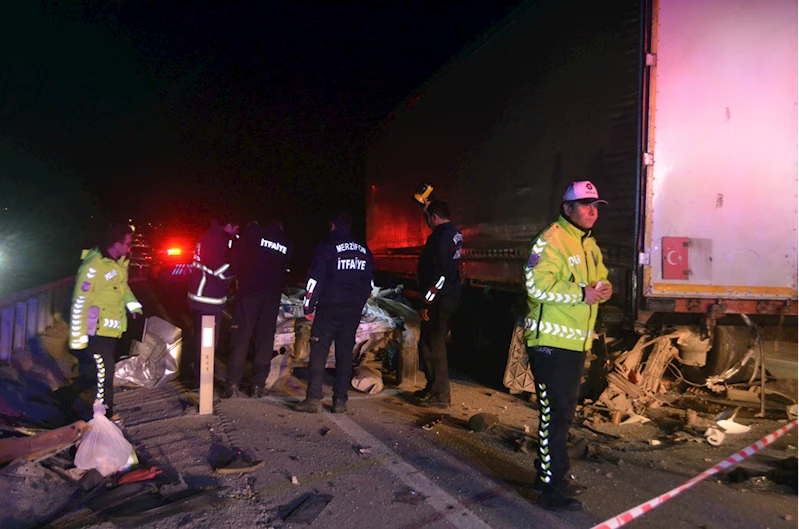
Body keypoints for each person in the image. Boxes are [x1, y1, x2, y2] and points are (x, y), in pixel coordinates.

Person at [523, 180, 612, 512]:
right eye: (585, 205)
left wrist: (603, 289)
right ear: (567, 209)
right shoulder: (551, 241)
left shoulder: (587, 245)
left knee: (563, 414)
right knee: (555, 414)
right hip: (549, 343)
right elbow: (536, 284)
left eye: (596, 206)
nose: (592, 211)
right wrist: (582, 294)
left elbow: (600, 277)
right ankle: (550, 485)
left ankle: (549, 472)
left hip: (574, 344)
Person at [294, 211, 374, 414]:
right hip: (352, 311)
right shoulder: (364, 249)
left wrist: (308, 307)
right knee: (345, 355)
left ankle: (313, 400)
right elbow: (369, 285)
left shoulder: (327, 247)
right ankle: (340, 402)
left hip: (329, 309)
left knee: (319, 353)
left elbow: (314, 281)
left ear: (332, 226)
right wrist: (358, 304)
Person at [66, 222, 143, 420]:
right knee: (105, 377)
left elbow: (122, 287)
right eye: (127, 243)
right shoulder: (94, 267)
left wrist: (133, 306)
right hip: (96, 331)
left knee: (97, 372)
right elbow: (80, 302)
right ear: (115, 243)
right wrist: (77, 341)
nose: (129, 248)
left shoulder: (117, 263)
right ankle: (104, 416)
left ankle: (65, 395)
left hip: (111, 331)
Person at [226, 218, 293, 398]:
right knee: (265, 341)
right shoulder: (286, 242)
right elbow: (285, 267)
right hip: (271, 296)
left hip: (249, 293)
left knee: (241, 338)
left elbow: (234, 260)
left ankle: (232, 384)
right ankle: (257, 386)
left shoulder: (253, 233)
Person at [413, 200, 462, 410]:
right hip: (450, 295)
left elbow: (439, 275)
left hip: (439, 299)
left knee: (434, 345)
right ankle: (432, 387)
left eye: (428, 219)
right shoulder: (454, 233)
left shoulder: (439, 237)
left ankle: (440, 395)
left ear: (434, 217)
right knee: (431, 342)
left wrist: (427, 301)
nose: (427, 223)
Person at [188, 217, 240, 388]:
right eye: (236, 228)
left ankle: (200, 378)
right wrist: (241, 270)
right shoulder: (216, 238)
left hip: (202, 295)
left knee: (202, 341)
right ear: (229, 224)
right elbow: (219, 268)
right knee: (207, 342)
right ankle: (202, 384)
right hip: (208, 298)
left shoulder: (210, 235)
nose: (237, 232)